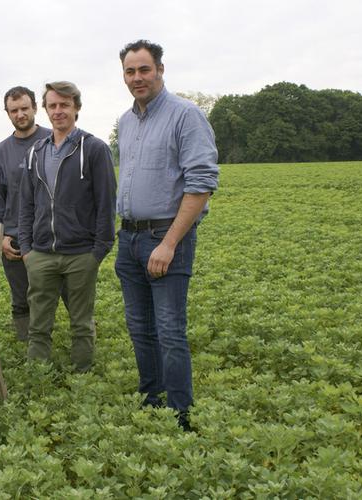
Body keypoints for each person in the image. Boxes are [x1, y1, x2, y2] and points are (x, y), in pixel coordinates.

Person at [114, 40, 220, 431]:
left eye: (144, 69)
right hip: (130, 238)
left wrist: (170, 242)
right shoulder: (126, 121)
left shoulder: (185, 116)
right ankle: (151, 399)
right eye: (130, 71)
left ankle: (180, 414)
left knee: (170, 329)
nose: (137, 77)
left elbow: (201, 184)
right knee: (139, 326)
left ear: (159, 69)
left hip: (166, 236)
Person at [18, 81, 116, 372]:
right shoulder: (36, 152)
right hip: (41, 255)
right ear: (45, 109)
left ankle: (82, 378)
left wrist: (98, 251)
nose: (58, 111)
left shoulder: (95, 149)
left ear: (76, 108)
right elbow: (26, 205)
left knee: (82, 324)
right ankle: (38, 378)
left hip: (81, 255)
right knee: (38, 325)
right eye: (53, 105)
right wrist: (27, 250)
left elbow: (106, 204)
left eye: (64, 105)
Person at [0, 86, 52, 341]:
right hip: (15, 240)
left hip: (53, 237)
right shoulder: (1, 152)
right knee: (21, 298)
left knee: (66, 296)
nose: (20, 114)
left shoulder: (53, 139)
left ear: (35, 107)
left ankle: (66, 343)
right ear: (7, 113)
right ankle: (29, 346)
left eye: (24, 108)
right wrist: (0, 237)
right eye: (14, 110)